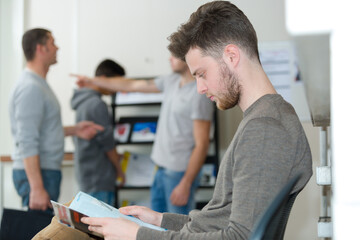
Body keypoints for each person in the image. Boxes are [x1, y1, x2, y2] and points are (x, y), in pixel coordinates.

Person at [33, 1, 313, 239]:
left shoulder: (265, 128)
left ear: (231, 56)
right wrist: (158, 221)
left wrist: (137, 234)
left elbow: (238, 237)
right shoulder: (263, 121)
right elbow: (219, 223)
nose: (200, 88)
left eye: (202, 73)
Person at [74, 54, 214, 214]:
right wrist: (92, 81)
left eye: (174, 55)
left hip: (179, 174)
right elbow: (132, 85)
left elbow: (202, 144)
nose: (169, 58)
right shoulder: (171, 81)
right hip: (160, 169)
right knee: (156, 226)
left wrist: (186, 183)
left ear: (187, 56)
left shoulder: (199, 93)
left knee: (178, 228)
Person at [9, 28, 104, 213]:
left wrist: (75, 130)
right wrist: (36, 188)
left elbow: (42, 130)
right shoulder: (31, 87)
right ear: (40, 48)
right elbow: (27, 139)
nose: (57, 48)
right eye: (52, 43)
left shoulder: (38, 84)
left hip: (44, 171)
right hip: (39, 174)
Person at [71, 59, 126, 206]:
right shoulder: (97, 104)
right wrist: (119, 170)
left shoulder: (83, 102)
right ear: (103, 79)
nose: (117, 88)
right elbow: (107, 143)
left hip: (87, 174)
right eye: (117, 82)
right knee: (101, 225)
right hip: (99, 177)